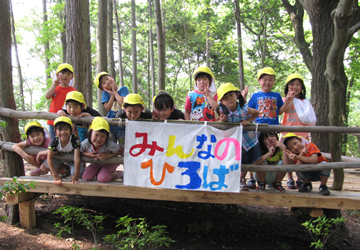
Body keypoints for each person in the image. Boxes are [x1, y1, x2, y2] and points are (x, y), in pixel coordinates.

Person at [247, 67, 294, 189]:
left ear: (274, 82)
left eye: (271, 80)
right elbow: (248, 111)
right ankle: (252, 178)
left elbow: (280, 112)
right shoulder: (255, 96)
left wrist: (288, 101)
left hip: (273, 130)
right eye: (265, 80)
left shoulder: (276, 95)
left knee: (275, 152)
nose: (267, 82)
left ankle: (275, 180)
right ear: (259, 80)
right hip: (259, 130)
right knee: (256, 153)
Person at [216, 83, 261, 191]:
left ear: (237, 95)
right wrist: (221, 120)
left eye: (231, 95)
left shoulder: (244, 108)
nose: (229, 99)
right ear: (221, 102)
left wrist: (248, 121)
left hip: (250, 139)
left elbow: (256, 113)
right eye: (225, 98)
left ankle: (260, 181)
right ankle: (240, 179)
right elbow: (217, 121)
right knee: (241, 160)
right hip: (236, 141)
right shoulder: (223, 112)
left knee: (255, 160)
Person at [282, 73, 317, 189]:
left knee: (300, 155)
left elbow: (310, 118)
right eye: (292, 84)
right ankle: (289, 178)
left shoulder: (305, 102)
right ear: (287, 87)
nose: (295, 87)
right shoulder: (284, 100)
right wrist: (290, 99)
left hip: (302, 133)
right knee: (288, 155)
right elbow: (286, 110)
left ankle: (299, 178)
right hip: (288, 133)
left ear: (302, 87)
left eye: (298, 85)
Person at [44, 116, 84, 186]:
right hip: (59, 159)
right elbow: (49, 159)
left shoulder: (74, 139)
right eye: (60, 130)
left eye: (66, 129)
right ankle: (64, 169)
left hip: (71, 160)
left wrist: (76, 175)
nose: (63, 132)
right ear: (55, 131)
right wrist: (55, 176)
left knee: (77, 173)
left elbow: (77, 158)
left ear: (71, 130)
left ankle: (70, 170)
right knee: (44, 167)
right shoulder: (55, 141)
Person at [81, 117, 123, 183]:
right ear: (90, 132)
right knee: (86, 177)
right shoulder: (86, 143)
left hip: (110, 163)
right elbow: (78, 151)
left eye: (103, 136)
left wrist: (107, 156)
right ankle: (101, 172)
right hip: (97, 163)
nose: (99, 139)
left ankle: (117, 174)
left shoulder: (109, 144)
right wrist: (87, 154)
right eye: (96, 135)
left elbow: (121, 150)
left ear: (106, 137)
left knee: (102, 179)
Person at [94, 72, 129, 146]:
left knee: (124, 145)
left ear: (112, 77)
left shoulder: (123, 89)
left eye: (107, 79)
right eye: (103, 83)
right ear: (102, 89)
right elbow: (107, 108)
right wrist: (112, 96)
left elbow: (123, 103)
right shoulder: (105, 94)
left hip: (122, 125)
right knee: (110, 145)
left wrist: (115, 92)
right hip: (111, 125)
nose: (107, 82)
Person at [46, 63, 77, 139]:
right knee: (54, 141)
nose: (65, 75)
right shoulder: (55, 88)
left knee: (67, 142)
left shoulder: (73, 91)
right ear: (57, 75)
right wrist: (54, 84)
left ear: (71, 77)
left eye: (68, 74)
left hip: (67, 121)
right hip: (53, 120)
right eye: (62, 73)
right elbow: (47, 96)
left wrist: (73, 122)